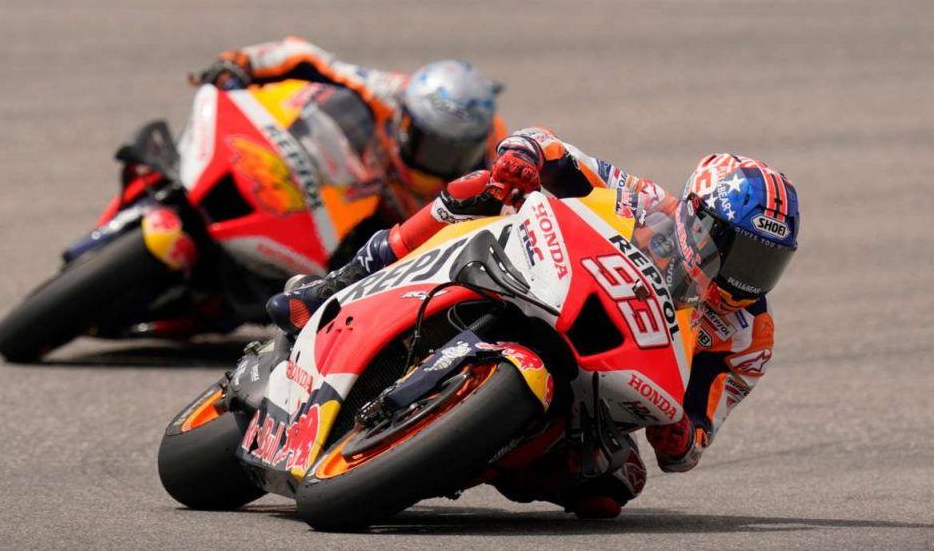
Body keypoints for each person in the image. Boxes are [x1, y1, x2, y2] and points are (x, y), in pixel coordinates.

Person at [268, 126, 801, 519]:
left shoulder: (749, 337)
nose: (746, 277)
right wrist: (522, 159)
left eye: (765, 263)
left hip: (602, 385)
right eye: (740, 253)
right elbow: (551, 148)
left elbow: (695, 437)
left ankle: (451, 455)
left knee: (614, 486)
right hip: (544, 284)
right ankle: (334, 284)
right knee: (479, 186)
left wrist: (679, 435)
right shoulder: (645, 201)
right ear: (697, 220)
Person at [193, 36, 507, 223]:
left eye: (455, 153)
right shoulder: (390, 92)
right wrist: (241, 63)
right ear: (405, 120)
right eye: (430, 145)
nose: (437, 161)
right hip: (348, 186)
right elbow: (304, 56)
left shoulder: (494, 166)